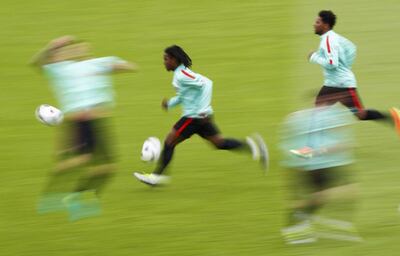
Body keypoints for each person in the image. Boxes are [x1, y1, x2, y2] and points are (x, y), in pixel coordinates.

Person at [31, 36, 137, 221]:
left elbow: (128, 66)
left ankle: (73, 196)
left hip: (99, 122)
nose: (81, 49)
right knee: (82, 160)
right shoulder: (62, 69)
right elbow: (36, 63)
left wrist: (119, 67)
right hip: (80, 120)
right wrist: (51, 46)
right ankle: (55, 195)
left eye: (83, 47)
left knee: (108, 168)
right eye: (75, 48)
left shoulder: (99, 63)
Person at [134, 45, 268, 186]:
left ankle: (156, 177)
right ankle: (253, 146)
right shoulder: (179, 75)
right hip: (201, 117)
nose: (164, 62)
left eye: (166, 59)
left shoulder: (182, 75)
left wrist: (202, 109)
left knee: (169, 142)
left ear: (174, 59)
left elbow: (207, 83)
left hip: (194, 117)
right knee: (219, 143)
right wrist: (170, 104)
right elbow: (184, 95)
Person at [307, 10, 400, 149]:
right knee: (355, 114)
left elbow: (332, 63)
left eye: (317, 22)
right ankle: (313, 147)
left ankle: (311, 148)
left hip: (341, 85)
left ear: (325, 25)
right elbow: (352, 49)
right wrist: (345, 68)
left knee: (351, 114)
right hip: (336, 83)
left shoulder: (328, 41)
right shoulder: (334, 37)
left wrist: (314, 57)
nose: (314, 24)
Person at [280, 92, 361, 244]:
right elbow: (337, 144)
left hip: (307, 164)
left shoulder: (298, 117)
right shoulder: (331, 117)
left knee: (318, 197)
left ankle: (296, 225)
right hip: (320, 164)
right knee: (331, 194)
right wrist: (329, 149)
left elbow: (292, 146)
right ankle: (295, 227)